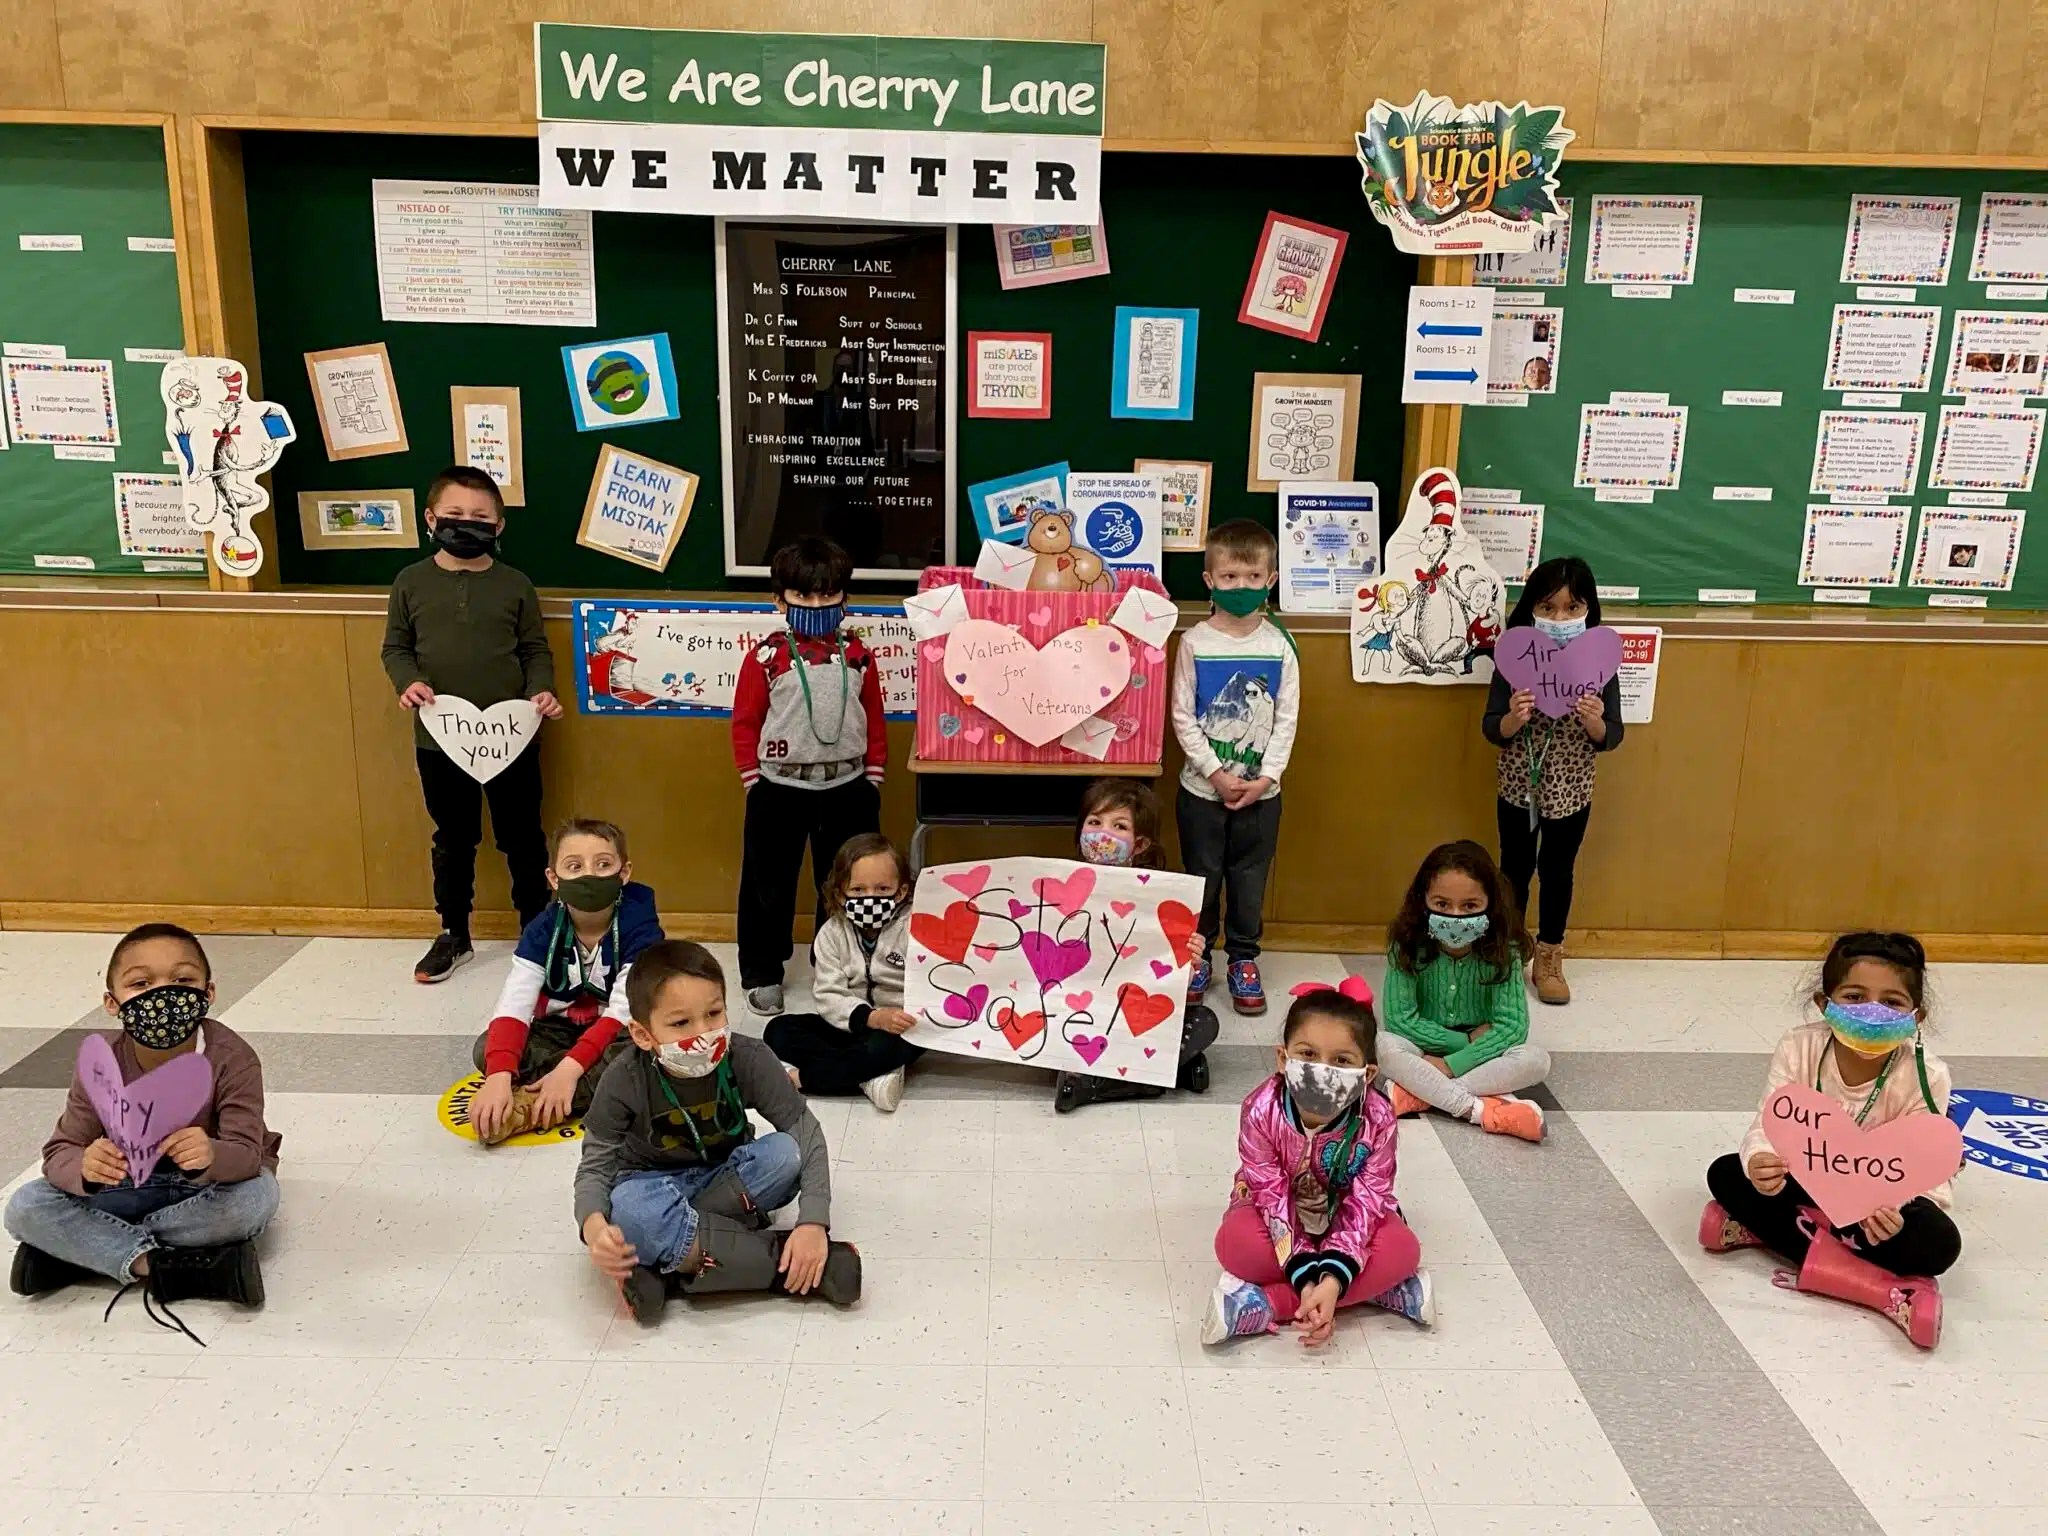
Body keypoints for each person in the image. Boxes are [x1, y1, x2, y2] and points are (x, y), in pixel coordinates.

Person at [6, 924, 280, 1334]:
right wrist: (84, 1167)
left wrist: (211, 1153)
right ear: (112, 1003)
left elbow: (246, 1153)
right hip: (125, 1186)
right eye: (140, 983)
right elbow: (59, 1151)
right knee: (25, 1206)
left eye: (183, 979)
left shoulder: (233, 1058)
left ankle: (79, 1252)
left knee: (256, 1199)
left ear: (209, 993)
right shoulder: (102, 1063)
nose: (162, 994)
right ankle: (165, 1266)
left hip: (202, 1191)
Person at [574, 940, 860, 1325]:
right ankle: (781, 1264)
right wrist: (592, 1225)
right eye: (680, 1023)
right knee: (629, 1209)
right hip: (652, 1185)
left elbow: (804, 1133)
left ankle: (670, 1262)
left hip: (726, 1178)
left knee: (785, 1155)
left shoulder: (749, 1056)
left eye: (714, 1013)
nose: (704, 1033)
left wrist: (812, 1222)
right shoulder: (622, 1078)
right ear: (643, 1035)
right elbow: (596, 1165)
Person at [1700, 931, 1960, 1349]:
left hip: (1873, 1206)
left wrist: (1890, 1208)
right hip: (1807, 1181)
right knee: (1727, 1173)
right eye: (1854, 996)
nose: (1872, 1012)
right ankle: (1884, 1290)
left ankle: (1776, 1234)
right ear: (1825, 1004)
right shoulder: (1799, 1046)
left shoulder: (1928, 1074)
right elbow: (1768, 1123)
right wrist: (1760, 1161)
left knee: (1940, 1243)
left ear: (1916, 1017)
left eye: (1892, 1002)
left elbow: (1925, 1164)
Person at [382, 465, 562, 984]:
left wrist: (540, 691)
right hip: (440, 738)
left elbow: (534, 649)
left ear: (499, 525)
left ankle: (536, 932)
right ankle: (454, 934)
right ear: (431, 518)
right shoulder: (411, 582)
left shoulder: (515, 585)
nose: (468, 524)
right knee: (453, 838)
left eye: (481, 517)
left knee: (523, 838)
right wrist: (407, 682)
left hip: (512, 735)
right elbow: (396, 646)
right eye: (456, 515)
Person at [1203, 977, 1430, 1344]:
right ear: (1283, 1059)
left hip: (1349, 1218)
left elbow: (1369, 1198)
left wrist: (1332, 1277)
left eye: (1341, 1060)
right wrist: (1308, 1276)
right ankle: (1373, 1291)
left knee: (1403, 1249)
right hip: (1274, 1215)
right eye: (1307, 1055)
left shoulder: (1378, 1117)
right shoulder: (1260, 1108)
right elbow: (1269, 1194)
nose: (1322, 1069)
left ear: (1366, 1074)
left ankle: (1268, 1304)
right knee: (1233, 1243)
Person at [732, 537, 886, 1018]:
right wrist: (754, 778)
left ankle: (836, 967)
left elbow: (874, 715)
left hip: (849, 785)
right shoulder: (767, 655)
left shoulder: (859, 653)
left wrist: (873, 774)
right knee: (766, 883)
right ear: (780, 600)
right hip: (779, 786)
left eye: (827, 594)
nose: (816, 604)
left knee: (846, 884)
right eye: (803, 596)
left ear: (844, 597)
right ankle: (761, 971)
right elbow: (745, 720)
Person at [467, 817, 664, 1146]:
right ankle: (562, 1090)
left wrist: (569, 1071)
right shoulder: (542, 930)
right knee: (485, 1050)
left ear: (624, 873)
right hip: (560, 1029)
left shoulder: (642, 928)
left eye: (603, 864)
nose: (589, 875)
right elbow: (515, 1004)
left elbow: (621, 1012)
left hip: (619, 1032)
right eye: (574, 866)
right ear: (554, 878)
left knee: (644, 1059)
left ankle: (533, 1104)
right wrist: (498, 1077)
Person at [1171, 519, 1301, 1017]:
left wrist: (1266, 777)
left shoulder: (1280, 646)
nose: (1240, 587)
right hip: (1201, 792)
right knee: (1201, 876)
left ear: (1269, 580)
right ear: (1209, 581)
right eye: (1229, 577)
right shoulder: (1195, 641)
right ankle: (1198, 954)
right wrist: (1214, 773)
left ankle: (1244, 957)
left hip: (1261, 796)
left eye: (1251, 577)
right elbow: (1182, 715)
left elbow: (1287, 717)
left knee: (1249, 879)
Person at [1482, 556, 1624, 1005]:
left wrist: (1596, 722)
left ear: (1589, 610)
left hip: (1572, 787)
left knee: (1558, 870)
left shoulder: (1600, 662)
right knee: (1514, 868)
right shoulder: (1514, 657)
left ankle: (1549, 955)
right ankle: (1506, 952)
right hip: (1518, 786)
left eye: (1571, 608)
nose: (1559, 619)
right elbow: (1490, 728)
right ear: (1530, 611)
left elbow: (1613, 735)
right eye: (1547, 609)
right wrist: (1512, 719)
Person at [1054, 779, 1218, 1113]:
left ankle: (1092, 1084)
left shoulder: (1161, 898)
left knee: (1204, 1021)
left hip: (1136, 1012)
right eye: (1095, 822)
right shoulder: (1062, 886)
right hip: (1079, 1007)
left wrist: (1188, 959)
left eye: (1119, 826)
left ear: (1140, 843)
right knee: (1046, 1027)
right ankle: (1167, 1073)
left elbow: (1171, 983)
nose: (1103, 833)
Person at [1378, 840, 1549, 1142]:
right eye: (1442, 904)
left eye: (1470, 906)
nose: (1456, 916)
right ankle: (1477, 1108)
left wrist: (1450, 1065)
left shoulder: (1504, 950)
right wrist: (1464, 1040)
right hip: (1424, 1049)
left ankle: (1420, 1094)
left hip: (1480, 1054)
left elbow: (1511, 1029)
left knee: (1536, 1060)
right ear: (1423, 900)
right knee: (1382, 1044)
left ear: (1490, 904)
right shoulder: (1405, 944)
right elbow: (1399, 1020)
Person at [764, 833, 921, 1114]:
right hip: (852, 1024)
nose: (869, 898)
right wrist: (870, 1017)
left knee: (885, 1048)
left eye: (882, 888)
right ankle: (867, 1079)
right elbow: (829, 995)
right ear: (840, 892)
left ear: (901, 892)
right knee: (778, 1031)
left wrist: (890, 1018)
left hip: (899, 1029)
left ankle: (808, 1079)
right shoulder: (832, 934)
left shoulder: (915, 930)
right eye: (858, 890)